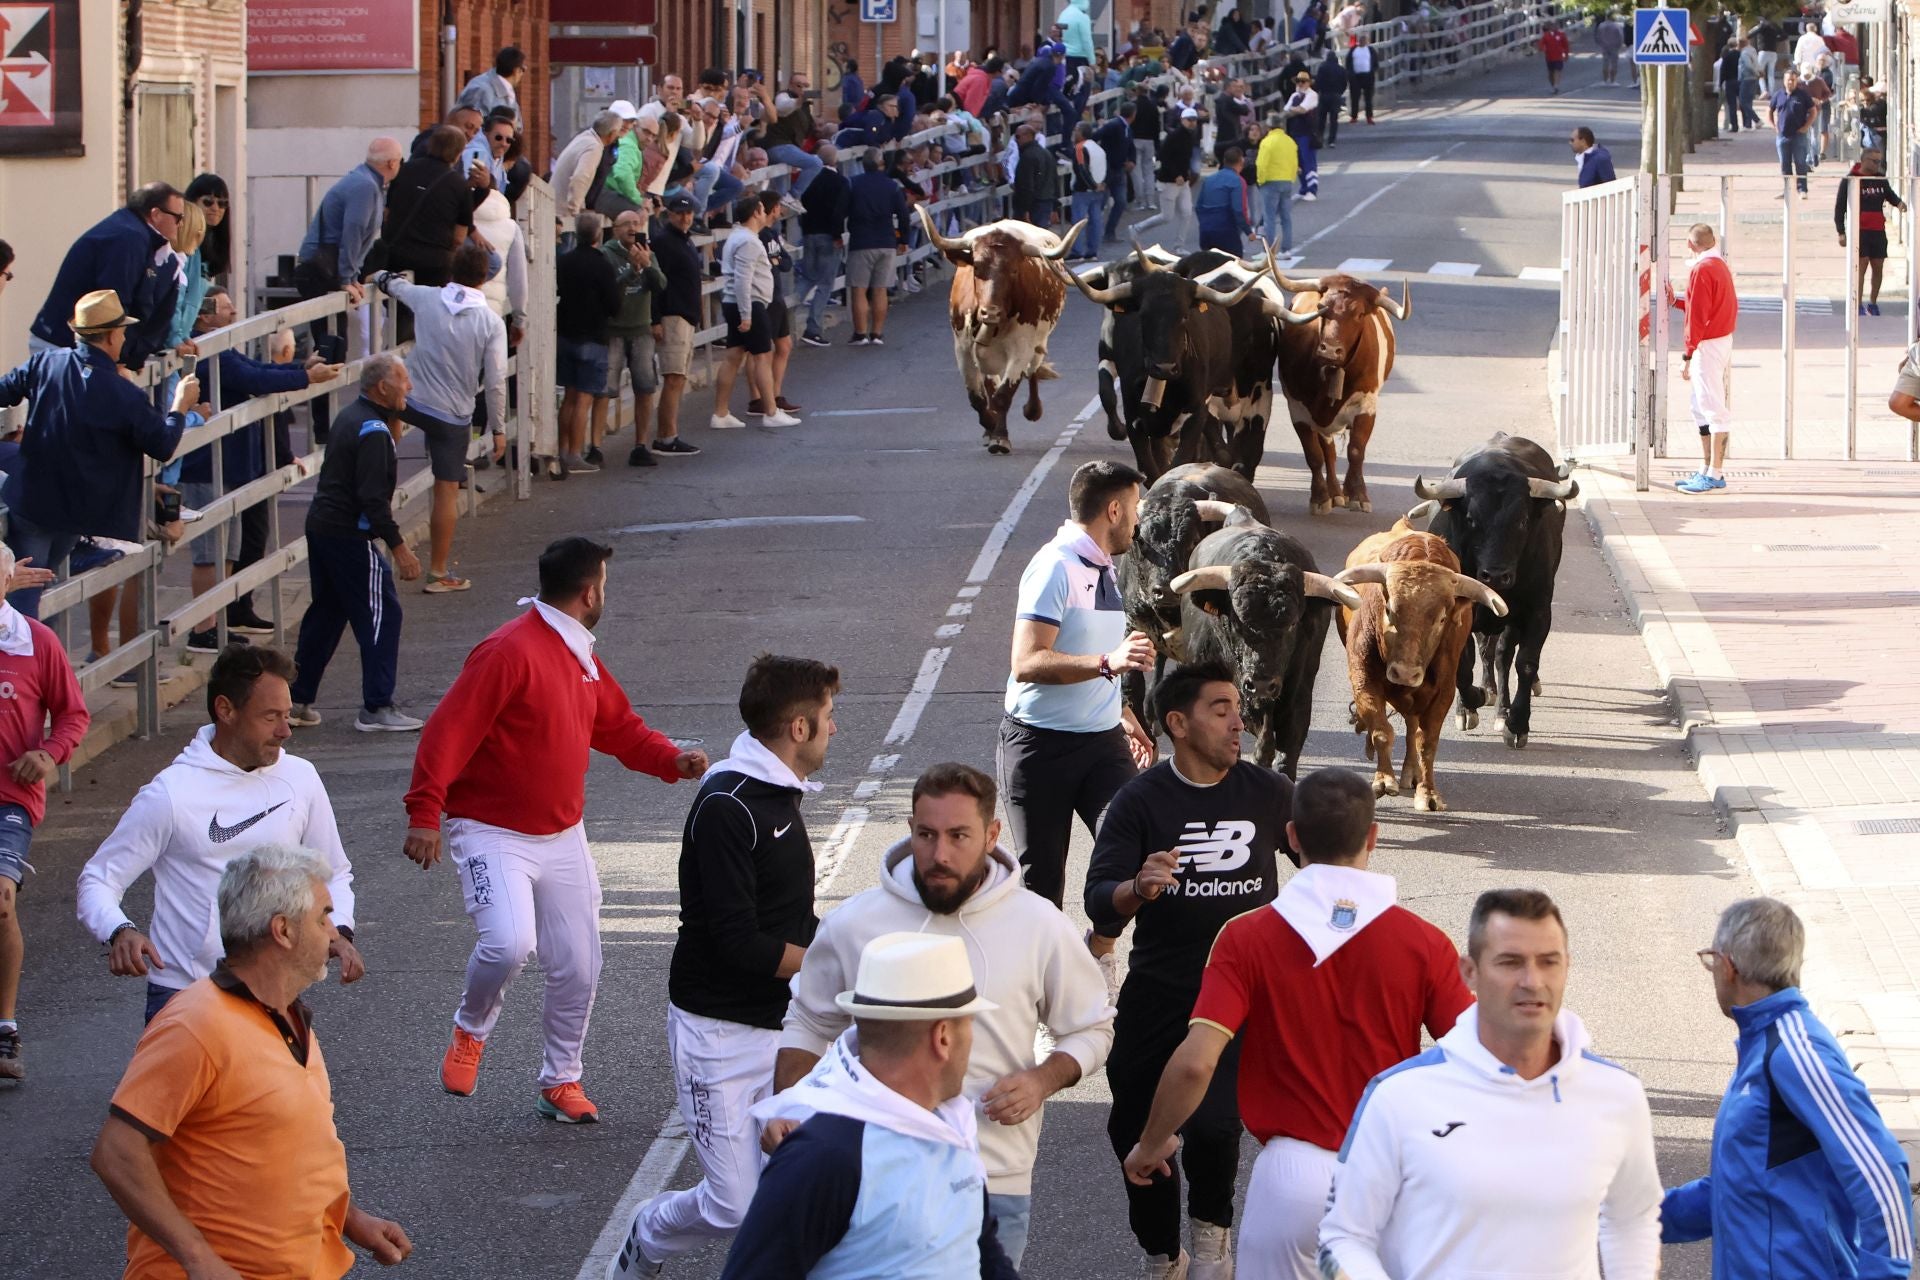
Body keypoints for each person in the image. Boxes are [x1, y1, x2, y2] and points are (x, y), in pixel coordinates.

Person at [1122, 767, 1472, 1280]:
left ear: (1291, 835)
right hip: (1387, 1175)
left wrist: (1152, 1143)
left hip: (1289, 1181)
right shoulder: (1425, 941)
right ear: (1373, 837)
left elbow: (1196, 1063)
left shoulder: (1245, 936)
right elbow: (1478, 1061)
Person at [405, 537, 708, 1124]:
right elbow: (447, 731)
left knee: (580, 964)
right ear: (590, 592)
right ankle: (470, 1030)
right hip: (492, 832)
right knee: (508, 944)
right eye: (605, 585)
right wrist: (425, 814)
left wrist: (670, 759)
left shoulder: (578, 652)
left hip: (562, 835)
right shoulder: (508, 651)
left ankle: (561, 1079)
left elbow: (618, 728)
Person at [770, 764, 1115, 1268]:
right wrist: (786, 1105)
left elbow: (1093, 1027)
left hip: (993, 1179)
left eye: (959, 836)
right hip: (870, 1172)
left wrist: (1042, 1080)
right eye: (926, 835)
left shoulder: (1039, 925)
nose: (940, 855)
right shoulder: (855, 923)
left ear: (992, 835)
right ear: (910, 828)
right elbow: (808, 1021)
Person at [609, 656, 840, 1274]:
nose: (833, 727)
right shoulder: (728, 806)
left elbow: (789, 918)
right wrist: (832, 968)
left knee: (794, 1187)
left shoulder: (778, 793)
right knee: (734, 1205)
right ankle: (647, 1234)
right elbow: (739, 942)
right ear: (798, 728)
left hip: (785, 1028)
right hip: (718, 1034)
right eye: (827, 716)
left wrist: (847, 948)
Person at [90, 845, 411, 1276]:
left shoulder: (287, 1015)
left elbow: (283, 1150)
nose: (333, 934)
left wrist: (350, 1219)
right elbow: (116, 1152)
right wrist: (199, 1258)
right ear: (283, 930)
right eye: (323, 918)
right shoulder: (195, 1025)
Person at [1317, 890, 1661, 1277]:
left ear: (1567, 966)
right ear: (1470, 972)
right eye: (1510, 962)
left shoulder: (1618, 1094)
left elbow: (1633, 1220)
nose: (1532, 981)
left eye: (1549, 962)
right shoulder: (1399, 1096)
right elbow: (1343, 1237)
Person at [1084, 663, 1293, 1280]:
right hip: (1159, 990)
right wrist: (1137, 888)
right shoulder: (1139, 800)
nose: (1238, 722)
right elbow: (1099, 899)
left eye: (1237, 709)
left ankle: (1210, 1239)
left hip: (1239, 994)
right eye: (1220, 710)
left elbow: (1323, 859)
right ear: (1177, 723)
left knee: (1214, 1125)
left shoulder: (1267, 791)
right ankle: (1161, 1253)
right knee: (1134, 1125)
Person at [77, 644, 364, 1021]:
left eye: (287, 715)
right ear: (226, 710)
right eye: (270, 717)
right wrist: (119, 930)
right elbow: (98, 879)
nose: (285, 731)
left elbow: (334, 872)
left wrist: (339, 929)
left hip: (275, 994)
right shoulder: (171, 795)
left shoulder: (300, 778)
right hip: (186, 999)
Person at [714, 933, 1018, 1280]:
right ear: (943, 1037)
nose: (972, 1041)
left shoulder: (951, 1125)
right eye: (970, 1025)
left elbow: (980, 1246)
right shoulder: (825, 1156)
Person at [1664, 898, 1914, 1274]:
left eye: (1711, 960)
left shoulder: (1796, 1053)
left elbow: (1883, 1173)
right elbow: (1737, 1191)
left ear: (1728, 967)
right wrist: (1626, 1215)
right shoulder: (1765, 1045)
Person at [1001, 459, 1156, 1003]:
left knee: (1137, 851)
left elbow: (1087, 650)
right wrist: (1110, 663)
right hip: (1038, 746)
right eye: (1134, 509)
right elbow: (1028, 661)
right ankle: (1043, 1006)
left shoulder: (1105, 566)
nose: (1137, 520)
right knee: (1042, 887)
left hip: (1101, 743)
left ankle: (1099, 949)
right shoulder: (1056, 567)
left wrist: (1122, 711)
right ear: (1112, 510)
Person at [0, 290, 198, 618]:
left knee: (28, 590)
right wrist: (180, 406)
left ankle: (30, 648)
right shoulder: (124, 394)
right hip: (81, 511)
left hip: (34, 500)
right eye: (122, 331)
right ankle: (32, 650)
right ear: (110, 336)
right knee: (40, 592)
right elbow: (163, 445)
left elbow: (5, 390)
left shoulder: (46, 362)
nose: (124, 338)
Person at [178, 288, 342, 649]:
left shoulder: (221, 347)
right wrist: (306, 377)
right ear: (204, 316)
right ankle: (202, 629)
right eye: (226, 307)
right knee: (210, 554)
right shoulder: (205, 351)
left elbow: (256, 369)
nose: (235, 311)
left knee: (227, 551)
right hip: (206, 467)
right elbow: (254, 379)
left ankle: (215, 623)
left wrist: (302, 368)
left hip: (227, 464)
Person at [285, 354, 424, 731]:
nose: (409, 386)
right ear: (383, 387)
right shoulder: (374, 431)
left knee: (327, 613)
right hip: (349, 533)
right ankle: (377, 706)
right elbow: (373, 500)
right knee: (383, 614)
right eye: (404, 379)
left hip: (322, 526)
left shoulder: (351, 416)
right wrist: (400, 548)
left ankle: (296, 697)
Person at [0, 542, 88, 1079]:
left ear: (7, 580)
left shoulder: (35, 641)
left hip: (9, 799)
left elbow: (73, 715)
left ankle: (4, 1027)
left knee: (1, 902)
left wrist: (48, 753)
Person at [375, 242, 505, 587]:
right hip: (453, 415)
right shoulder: (491, 322)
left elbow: (393, 284)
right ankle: (438, 572)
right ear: (485, 278)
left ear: (452, 270)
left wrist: (378, 276)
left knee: (389, 405)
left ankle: (387, 457)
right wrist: (498, 429)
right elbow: (495, 382)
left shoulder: (428, 297)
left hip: (412, 400)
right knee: (446, 490)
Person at [29, 182, 184, 364]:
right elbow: (113, 303)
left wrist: (131, 357)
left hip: (76, 346)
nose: (181, 224)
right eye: (178, 218)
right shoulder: (128, 238)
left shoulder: (135, 233)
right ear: (156, 214)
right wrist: (117, 361)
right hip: (65, 347)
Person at [295, 138, 404, 349]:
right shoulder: (366, 186)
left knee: (334, 342)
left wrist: (352, 277)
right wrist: (346, 278)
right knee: (332, 345)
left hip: (323, 269)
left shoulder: (364, 181)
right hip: (321, 272)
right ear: (392, 163)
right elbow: (353, 232)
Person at [593, 210, 678, 468]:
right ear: (615, 229)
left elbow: (661, 285)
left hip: (641, 330)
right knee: (604, 390)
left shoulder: (647, 252)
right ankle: (595, 447)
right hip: (613, 330)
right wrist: (632, 269)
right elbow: (608, 290)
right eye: (626, 224)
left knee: (645, 387)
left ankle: (640, 445)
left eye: (636, 223)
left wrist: (647, 265)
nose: (632, 228)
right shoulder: (606, 255)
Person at [711, 197, 797, 429]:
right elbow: (743, 279)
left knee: (733, 356)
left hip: (738, 302)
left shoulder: (738, 237)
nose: (765, 212)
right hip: (749, 303)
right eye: (761, 209)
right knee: (761, 356)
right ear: (756, 213)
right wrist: (747, 314)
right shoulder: (748, 240)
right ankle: (771, 411)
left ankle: (720, 413)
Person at [551, 213, 624, 475]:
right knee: (584, 398)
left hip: (565, 334)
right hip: (593, 336)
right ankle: (575, 453)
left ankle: (562, 450)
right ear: (598, 235)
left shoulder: (564, 261)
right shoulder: (602, 265)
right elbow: (614, 305)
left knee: (569, 397)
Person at [1668, 223, 1737, 494]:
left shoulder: (1701, 269)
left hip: (1707, 344)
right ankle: (1707, 468)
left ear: (1690, 244)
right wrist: (1677, 302)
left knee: (1710, 406)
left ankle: (1714, 472)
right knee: (1701, 405)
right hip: (1719, 340)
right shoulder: (1719, 266)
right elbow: (1707, 305)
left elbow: (1697, 315)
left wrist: (1688, 353)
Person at [380, 124, 473, 293]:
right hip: (435, 262)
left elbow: (387, 213)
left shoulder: (403, 170)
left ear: (431, 145)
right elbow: (459, 238)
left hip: (397, 254)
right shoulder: (460, 185)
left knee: (396, 304)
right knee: (429, 306)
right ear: (459, 153)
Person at [650, 195, 704, 453]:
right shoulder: (664, 242)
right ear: (669, 214)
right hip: (672, 316)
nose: (685, 218)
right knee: (673, 378)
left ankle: (669, 434)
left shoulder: (685, 240)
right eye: (680, 213)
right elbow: (655, 283)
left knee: (679, 378)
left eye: (689, 213)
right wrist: (655, 320)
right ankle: (666, 438)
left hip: (685, 316)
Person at [844, 152, 911, 347]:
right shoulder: (892, 186)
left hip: (861, 240)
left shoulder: (853, 183)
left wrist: (836, 233)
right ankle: (877, 333)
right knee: (880, 289)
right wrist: (903, 239)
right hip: (886, 240)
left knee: (859, 289)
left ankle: (860, 333)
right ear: (881, 164)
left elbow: (841, 210)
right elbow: (903, 214)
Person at [1838, 150, 1906, 318]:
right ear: (1864, 160)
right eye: (1874, 161)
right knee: (1861, 265)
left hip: (1878, 230)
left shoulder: (1880, 179)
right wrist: (1841, 231)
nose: (1877, 165)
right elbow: (1840, 207)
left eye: (1879, 162)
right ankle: (1858, 304)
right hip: (1860, 230)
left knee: (1878, 266)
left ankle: (1873, 303)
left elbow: (1890, 196)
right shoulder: (1851, 179)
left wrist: (1899, 204)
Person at [796, 142, 849, 348]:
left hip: (809, 233)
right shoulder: (841, 182)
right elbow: (839, 212)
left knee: (807, 277)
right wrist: (837, 235)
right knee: (825, 283)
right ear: (836, 160)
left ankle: (783, 315)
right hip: (828, 235)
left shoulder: (809, 178)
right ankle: (813, 328)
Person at [552, 110, 632, 228]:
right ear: (611, 134)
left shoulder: (585, 137)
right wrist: (575, 210)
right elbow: (580, 177)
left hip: (555, 205)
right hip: (563, 213)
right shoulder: (594, 147)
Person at [1134, 108, 1201, 249]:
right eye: (1189, 120)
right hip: (1169, 181)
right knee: (1166, 216)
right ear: (1182, 120)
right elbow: (1163, 156)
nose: (1192, 122)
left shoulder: (1190, 135)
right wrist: (1176, 174)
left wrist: (1185, 174)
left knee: (1187, 213)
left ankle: (1179, 245)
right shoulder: (1175, 136)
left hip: (1182, 181)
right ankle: (1137, 228)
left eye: (1194, 120)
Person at [761, 71, 823, 200]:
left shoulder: (805, 106)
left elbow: (807, 131)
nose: (802, 88)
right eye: (798, 85)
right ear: (790, 85)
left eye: (805, 85)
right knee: (815, 163)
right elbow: (782, 107)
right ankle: (793, 196)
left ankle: (783, 203)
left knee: (779, 194)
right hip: (778, 146)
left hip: (788, 149)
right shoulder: (783, 95)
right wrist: (798, 101)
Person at [1195, 145, 1253, 256]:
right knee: (1233, 262)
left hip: (1206, 231)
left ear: (1224, 161)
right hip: (1226, 231)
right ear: (1241, 161)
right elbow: (1239, 210)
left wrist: (1205, 223)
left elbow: (1198, 207)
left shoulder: (1209, 179)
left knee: (1209, 263)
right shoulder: (1238, 181)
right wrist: (1248, 231)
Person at [1257, 116, 1301, 256]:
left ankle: (1270, 250)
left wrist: (1260, 180)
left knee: (1269, 217)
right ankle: (1286, 249)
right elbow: (1294, 162)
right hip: (1286, 180)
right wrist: (1292, 177)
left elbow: (1262, 164)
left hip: (1270, 181)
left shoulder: (1267, 141)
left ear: (1268, 127)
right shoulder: (1290, 141)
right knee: (1285, 217)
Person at [1094, 105, 1135, 245]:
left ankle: (1109, 232)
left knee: (1120, 202)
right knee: (1101, 203)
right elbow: (1096, 136)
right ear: (1133, 114)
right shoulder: (1114, 125)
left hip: (1119, 169)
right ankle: (1094, 233)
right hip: (1108, 170)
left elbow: (1131, 146)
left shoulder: (1126, 128)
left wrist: (1132, 160)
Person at [1068, 122, 1110, 259]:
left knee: (1078, 221)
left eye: (1076, 130)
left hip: (1083, 189)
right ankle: (1093, 251)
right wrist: (1102, 184)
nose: (1074, 133)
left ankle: (1077, 251)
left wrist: (1092, 185)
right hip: (1099, 189)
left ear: (1081, 132)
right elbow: (1106, 168)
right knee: (1095, 220)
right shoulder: (1099, 148)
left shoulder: (1080, 148)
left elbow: (1082, 169)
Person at [1772, 68, 1816, 197]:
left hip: (1799, 135)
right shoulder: (1778, 95)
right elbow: (1770, 110)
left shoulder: (1802, 95)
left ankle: (1802, 190)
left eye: (1793, 80)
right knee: (1785, 164)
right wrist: (1774, 126)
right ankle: (1788, 190)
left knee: (1800, 163)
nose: (1790, 82)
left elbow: (1813, 111)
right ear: (1784, 81)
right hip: (1782, 135)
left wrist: (1806, 126)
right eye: (1788, 80)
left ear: (1796, 81)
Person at [459, 45, 526, 127]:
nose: (522, 74)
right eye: (523, 69)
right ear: (516, 71)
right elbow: (469, 126)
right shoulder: (481, 90)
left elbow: (517, 127)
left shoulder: (506, 90)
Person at [1013, 123, 1061, 227]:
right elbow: (1055, 181)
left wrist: (1025, 210)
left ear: (1028, 135)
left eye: (1017, 136)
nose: (1016, 140)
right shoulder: (1047, 153)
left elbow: (1026, 185)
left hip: (1034, 206)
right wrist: (1055, 207)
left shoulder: (1027, 156)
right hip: (1046, 203)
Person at [1285, 73, 1322, 202]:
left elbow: (1302, 109)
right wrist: (1295, 110)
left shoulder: (1312, 95)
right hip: (1295, 133)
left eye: (1303, 81)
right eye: (1298, 81)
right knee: (1298, 162)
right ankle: (1304, 188)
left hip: (1308, 133)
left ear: (1309, 83)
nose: (1300, 84)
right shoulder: (1294, 96)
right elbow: (1287, 111)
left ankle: (1312, 189)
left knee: (1309, 161)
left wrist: (1293, 110)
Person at [1314, 49, 1348, 148]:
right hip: (1336, 95)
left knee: (1322, 119)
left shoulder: (1322, 68)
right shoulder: (1341, 69)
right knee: (1334, 119)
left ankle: (1320, 138)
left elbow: (1318, 81)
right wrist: (1339, 92)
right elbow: (1344, 83)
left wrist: (1318, 91)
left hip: (1324, 94)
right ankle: (1331, 141)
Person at [1347, 36, 1378, 124]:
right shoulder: (1353, 50)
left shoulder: (1371, 50)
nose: (1362, 42)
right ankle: (1354, 117)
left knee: (1368, 98)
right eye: (1361, 40)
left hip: (1368, 77)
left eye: (1364, 40)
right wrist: (1350, 74)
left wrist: (1373, 71)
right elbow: (1348, 62)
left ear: (1367, 41)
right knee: (1354, 97)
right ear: (1359, 41)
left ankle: (1369, 117)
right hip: (1356, 77)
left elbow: (1375, 62)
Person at [1737, 38, 1764, 129]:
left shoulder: (1744, 53)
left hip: (1746, 78)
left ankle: (1757, 120)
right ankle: (1747, 124)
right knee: (1748, 102)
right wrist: (1759, 72)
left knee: (1743, 101)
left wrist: (1756, 72)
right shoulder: (1753, 51)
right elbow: (1757, 63)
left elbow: (1748, 65)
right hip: (1753, 79)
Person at [1719, 41, 1744, 134]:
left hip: (1730, 82)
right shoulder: (1740, 55)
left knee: (1732, 105)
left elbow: (1723, 70)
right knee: (1743, 103)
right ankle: (1746, 123)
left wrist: (1721, 82)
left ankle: (1734, 126)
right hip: (1740, 81)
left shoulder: (1727, 56)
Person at [1594, 13, 1625, 85]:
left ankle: (1605, 80)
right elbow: (1620, 36)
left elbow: (1598, 36)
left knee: (1605, 63)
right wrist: (1620, 44)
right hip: (1614, 46)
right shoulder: (1616, 26)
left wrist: (1600, 44)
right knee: (1614, 63)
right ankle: (1612, 80)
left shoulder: (1601, 25)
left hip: (1604, 46)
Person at [1541, 23, 1571, 94]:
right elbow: (1541, 44)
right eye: (1553, 26)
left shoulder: (1561, 35)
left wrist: (1566, 55)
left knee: (1557, 70)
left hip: (1558, 57)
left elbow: (1566, 45)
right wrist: (1543, 49)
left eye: (1556, 25)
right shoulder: (1546, 36)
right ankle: (1553, 85)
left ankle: (1556, 86)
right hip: (1549, 57)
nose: (1554, 27)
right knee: (1550, 73)